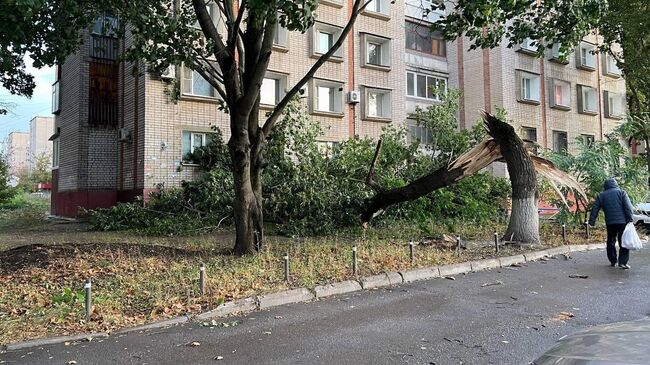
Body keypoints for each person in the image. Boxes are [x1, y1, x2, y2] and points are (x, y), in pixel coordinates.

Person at [588, 178, 634, 269]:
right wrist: (630, 219)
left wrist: (592, 221)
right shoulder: (621, 193)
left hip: (610, 223)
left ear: (605, 186)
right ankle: (623, 262)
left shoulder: (601, 195)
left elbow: (595, 209)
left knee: (611, 241)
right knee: (623, 241)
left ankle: (613, 261)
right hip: (622, 222)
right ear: (615, 184)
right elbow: (628, 207)